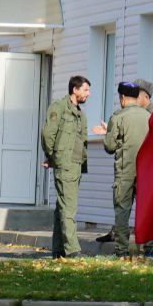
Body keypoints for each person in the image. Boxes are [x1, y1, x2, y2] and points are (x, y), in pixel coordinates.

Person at [40, 76, 91, 259]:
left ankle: (59, 249)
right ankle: (73, 250)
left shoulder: (80, 114)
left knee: (62, 207)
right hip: (66, 165)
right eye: (86, 90)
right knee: (69, 207)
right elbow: (48, 134)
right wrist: (53, 157)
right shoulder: (59, 107)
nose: (88, 94)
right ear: (75, 90)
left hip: (76, 166)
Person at [101, 81, 152, 258]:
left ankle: (122, 250)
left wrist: (106, 133)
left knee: (122, 210)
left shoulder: (118, 117)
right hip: (146, 170)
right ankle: (149, 248)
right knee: (146, 207)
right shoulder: (148, 116)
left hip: (125, 170)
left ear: (122, 98)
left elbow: (109, 146)